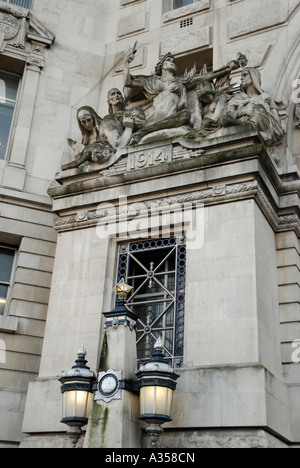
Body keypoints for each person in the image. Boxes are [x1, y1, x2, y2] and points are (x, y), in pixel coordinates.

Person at [62, 89, 144, 171]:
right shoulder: (109, 120)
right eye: (83, 122)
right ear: (109, 101)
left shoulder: (114, 119)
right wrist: (129, 129)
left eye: (119, 94)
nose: (116, 96)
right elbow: (118, 145)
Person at [124, 52, 191, 144]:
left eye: (173, 61)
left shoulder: (179, 83)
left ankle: (144, 131)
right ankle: (144, 131)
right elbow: (128, 82)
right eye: (168, 60)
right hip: (155, 114)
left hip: (172, 115)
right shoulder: (153, 81)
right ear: (162, 65)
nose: (172, 62)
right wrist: (126, 64)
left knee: (185, 115)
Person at [226, 67, 285, 146]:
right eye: (241, 76)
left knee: (259, 108)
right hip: (239, 127)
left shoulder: (265, 97)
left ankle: (251, 125)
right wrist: (243, 112)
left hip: (260, 130)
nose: (241, 78)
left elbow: (276, 124)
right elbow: (229, 115)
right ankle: (248, 125)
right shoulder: (235, 98)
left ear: (253, 77)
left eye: (245, 75)